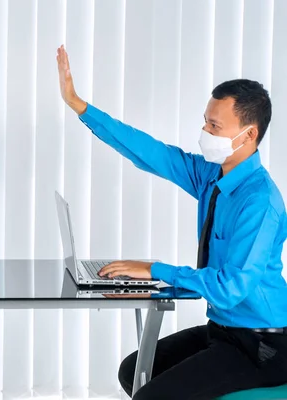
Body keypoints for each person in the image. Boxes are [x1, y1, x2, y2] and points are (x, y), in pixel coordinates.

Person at [56, 44, 287, 399]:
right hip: (223, 330)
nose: (204, 131)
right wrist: (79, 106)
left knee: (149, 394)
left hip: (261, 346)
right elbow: (152, 153)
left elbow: (230, 287)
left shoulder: (261, 203)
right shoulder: (212, 176)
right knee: (133, 371)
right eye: (206, 121)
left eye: (214, 125)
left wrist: (155, 270)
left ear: (250, 134)